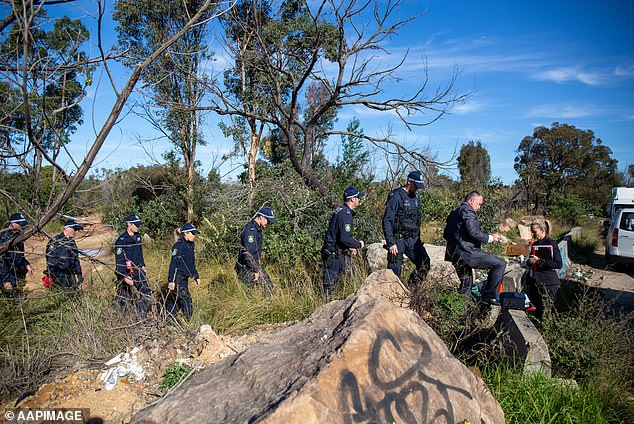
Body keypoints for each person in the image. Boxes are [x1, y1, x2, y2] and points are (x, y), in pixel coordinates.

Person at [443, 191, 506, 305]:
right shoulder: (468, 211)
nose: (479, 207)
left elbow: (446, 234)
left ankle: (458, 313)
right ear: (472, 201)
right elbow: (473, 232)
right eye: (479, 204)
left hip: (454, 254)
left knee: (466, 287)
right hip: (467, 253)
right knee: (500, 264)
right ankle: (489, 295)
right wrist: (490, 237)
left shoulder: (454, 212)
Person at [382, 170, 431, 288]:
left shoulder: (416, 197)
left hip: (413, 239)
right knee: (394, 268)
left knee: (425, 263)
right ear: (409, 181)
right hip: (398, 238)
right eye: (416, 185)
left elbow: (417, 220)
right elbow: (387, 220)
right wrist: (391, 243)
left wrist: (418, 239)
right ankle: (390, 294)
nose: (417, 189)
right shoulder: (396, 196)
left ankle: (411, 289)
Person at [321, 187, 365, 294]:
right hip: (335, 255)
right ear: (352, 199)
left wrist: (350, 246)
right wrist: (358, 244)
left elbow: (339, 234)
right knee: (330, 289)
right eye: (357, 197)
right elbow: (345, 238)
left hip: (336, 252)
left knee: (353, 278)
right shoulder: (345, 214)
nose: (359, 199)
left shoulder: (340, 210)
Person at [114, 214, 152, 317]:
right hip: (125, 272)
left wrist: (143, 265)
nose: (138, 227)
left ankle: (141, 316)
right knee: (124, 298)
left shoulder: (138, 237)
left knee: (147, 292)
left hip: (137, 270)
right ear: (129, 224)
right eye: (136, 225)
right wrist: (125, 276)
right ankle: (124, 318)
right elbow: (119, 261)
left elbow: (140, 253)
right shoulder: (121, 241)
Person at [524, 218, 562, 319]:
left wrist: (540, 261)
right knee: (537, 312)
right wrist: (530, 262)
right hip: (536, 283)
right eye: (532, 232)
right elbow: (530, 263)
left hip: (549, 283)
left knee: (546, 312)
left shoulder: (552, 244)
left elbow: (558, 264)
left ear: (542, 230)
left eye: (534, 232)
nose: (533, 234)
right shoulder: (535, 245)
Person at [166, 223, 201, 320]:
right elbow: (173, 264)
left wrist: (196, 276)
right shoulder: (178, 246)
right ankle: (189, 322)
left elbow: (191, 264)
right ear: (186, 233)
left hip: (184, 279)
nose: (194, 236)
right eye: (192, 234)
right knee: (186, 301)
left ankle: (167, 322)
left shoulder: (190, 245)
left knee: (175, 303)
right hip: (177, 279)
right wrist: (171, 281)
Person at [235, 207, 276, 291]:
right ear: (261, 217)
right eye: (268, 221)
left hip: (253, 265)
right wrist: (255, 270)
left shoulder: (257, 230)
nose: (269, 224)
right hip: (246, 267)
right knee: (248, 294)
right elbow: (247, 253)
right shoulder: (251, 230)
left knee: (268, 287)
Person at [0, 213, 34, 294]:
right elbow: (2, 262)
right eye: (20, 224)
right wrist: (6, 280)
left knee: (19, 296)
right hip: (8, 274)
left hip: (18, 274)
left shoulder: (18, 236)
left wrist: (27, 265)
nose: (23, 227)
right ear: (13, 224)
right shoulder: (4, 238)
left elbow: (20, 255)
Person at [45, 219, 84, 290]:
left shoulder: (72, 242)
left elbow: (75, 259)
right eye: (75, 229)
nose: (77, 232)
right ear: (66, 228)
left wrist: (79, 273)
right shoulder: (55, 241)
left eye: (78, 230)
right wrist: (54, 277)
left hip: (71, 276)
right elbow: (50, 260)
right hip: (59, 276)